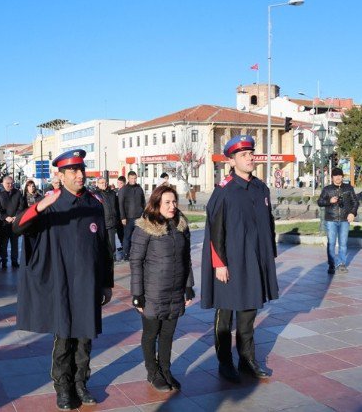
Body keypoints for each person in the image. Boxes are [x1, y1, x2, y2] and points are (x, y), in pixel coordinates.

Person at [13, 149, 113, 410]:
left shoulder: (95, 204)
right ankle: (63, 387)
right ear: (61, 175)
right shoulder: (52, 204)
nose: (80, 175)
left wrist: (106, 283)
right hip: (62, 284)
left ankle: (81, 383)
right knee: (65, 337)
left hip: (88, 283)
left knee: (85, 338)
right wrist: (38, 207)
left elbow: (104, 247)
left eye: (81, 169)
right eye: (73, 171)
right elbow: (17, 227)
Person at [201, 135, 278, 383]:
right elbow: (214, 229)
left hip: (254, 261)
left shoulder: (260, 187)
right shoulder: (224, 191)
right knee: (226, 314)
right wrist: (219, 263)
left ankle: (247, 359)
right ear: (232, 160)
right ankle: (225, 363)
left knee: (248, 313)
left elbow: (268, 224)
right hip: (230, 262)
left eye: (251, 153)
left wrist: (268, 256)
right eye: (244, 155)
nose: (250, 157)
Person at [130, 184, 194, 391]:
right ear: (156, 204)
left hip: (175, 291)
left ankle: (166, 370)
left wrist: (188, 287)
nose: (172, 206)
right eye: (167, 202)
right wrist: (137, 294)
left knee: (168, 334)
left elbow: (187, 259)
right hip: (152, 292)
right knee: (151, 334)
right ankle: (153, 372)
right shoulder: (145, 227)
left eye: (174, 201)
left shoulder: (180, 225)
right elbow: (136, 262)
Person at [317, 167, 359, 274]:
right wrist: (329, 201)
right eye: (335, 176)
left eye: (339, 176)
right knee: (331, 243)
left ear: (342, 177)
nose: (338, 178)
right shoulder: (327, 189)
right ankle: (331, 264)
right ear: (332, 178)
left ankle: (341, 264)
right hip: (331, 220)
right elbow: (320, 202)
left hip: (345, 220)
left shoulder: (348, 188)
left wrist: (352, 213)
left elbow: (355, 202)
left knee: (343, 243)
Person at [0, 175, 23, 268]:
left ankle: (14, 261)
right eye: (8, 183)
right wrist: (6, 217)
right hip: (4, 223)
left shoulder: (17, 193)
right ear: (3, 183)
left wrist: (15, 216)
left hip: (15, 222)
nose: (10, 185)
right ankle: (4, 261)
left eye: (11, 183)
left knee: (15, 243)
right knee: (4, 243)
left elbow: (21, 206)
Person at [119, 171, 146, 261]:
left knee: (138, 237)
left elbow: (143, 202)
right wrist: (123, 217)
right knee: (127, 237)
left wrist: (144, 214)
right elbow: (121, 204)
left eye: (135, 178)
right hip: (128, 218)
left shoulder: (139, 188)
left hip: (139, 217)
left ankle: (137, 254)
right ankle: (126, 254)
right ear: (128, 178)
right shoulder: (124, 189)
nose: (133, 180)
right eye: (131, 178)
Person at [95, 177, 121, 264]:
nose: (104, 184)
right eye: (102, 183)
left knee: (112, 245)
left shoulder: (112, 193)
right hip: (101, 223)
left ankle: (111, 259)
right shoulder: (95, 194)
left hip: (112, 222)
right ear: (97, 184)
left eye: (105, 182)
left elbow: (117, 207)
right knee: (101, 244)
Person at [116, 175, 126, 255]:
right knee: (120, 232)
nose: (119, 184)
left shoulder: (124, 191)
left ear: (124, 183)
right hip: (118, 215)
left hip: (123, 216)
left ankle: (125, 247)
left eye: (121, 183)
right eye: (118, 183)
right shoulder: (118, 191)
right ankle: (123, 245)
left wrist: (123, 217)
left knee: (123, 232)